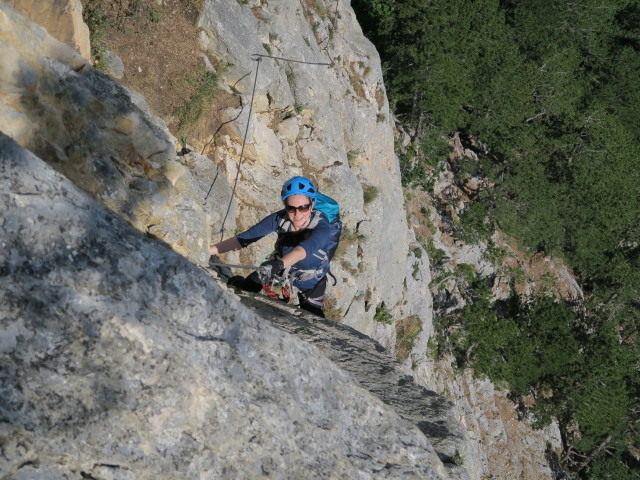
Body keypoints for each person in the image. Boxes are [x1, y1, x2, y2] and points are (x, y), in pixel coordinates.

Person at [209, 176, 332, 317]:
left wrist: (278, 264)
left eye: (303, 208)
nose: (297, 214)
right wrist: (206, 251)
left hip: (310, 280)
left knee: (315, 318)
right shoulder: (280, 219)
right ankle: (238, 282)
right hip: (277, 267)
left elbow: (301, 251)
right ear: (285, 206)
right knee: (243, 288)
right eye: (291, 208)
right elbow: (243, 239)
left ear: (312, 204)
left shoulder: (322, 227)